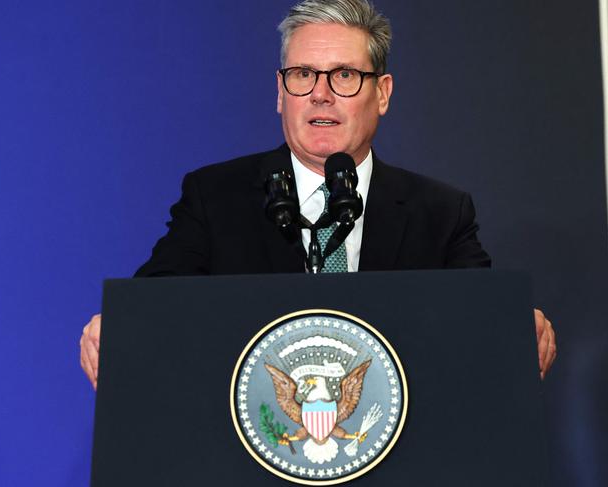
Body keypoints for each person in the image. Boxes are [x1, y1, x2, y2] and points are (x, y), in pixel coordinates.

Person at [80, 0, 556, 389]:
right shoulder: (215, 197)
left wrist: (515, 327)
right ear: (280, 92)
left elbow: (482, 320)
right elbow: (156, 305)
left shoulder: (440, 212)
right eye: (303, 74)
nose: (321, 94)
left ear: (383, 93)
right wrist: (122, 329)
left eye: (345, 75)